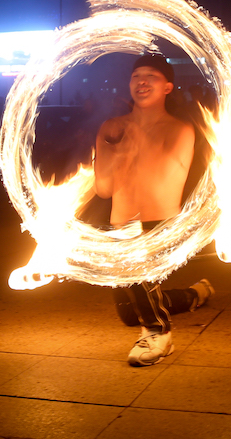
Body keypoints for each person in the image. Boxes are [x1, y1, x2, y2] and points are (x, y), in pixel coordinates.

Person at [94, 55, 213, 367]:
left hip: (158, 225)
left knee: (141, 294)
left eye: (151, 76)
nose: (142, 81)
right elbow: (103, 189)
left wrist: (131, 146)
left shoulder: (180, 129)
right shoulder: (111, 127)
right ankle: (193, 295)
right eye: (136, 76)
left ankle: (159, 333)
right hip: (120, 225)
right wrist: (114, 150)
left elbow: (158, 180)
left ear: (168, 87)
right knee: (128, 312)